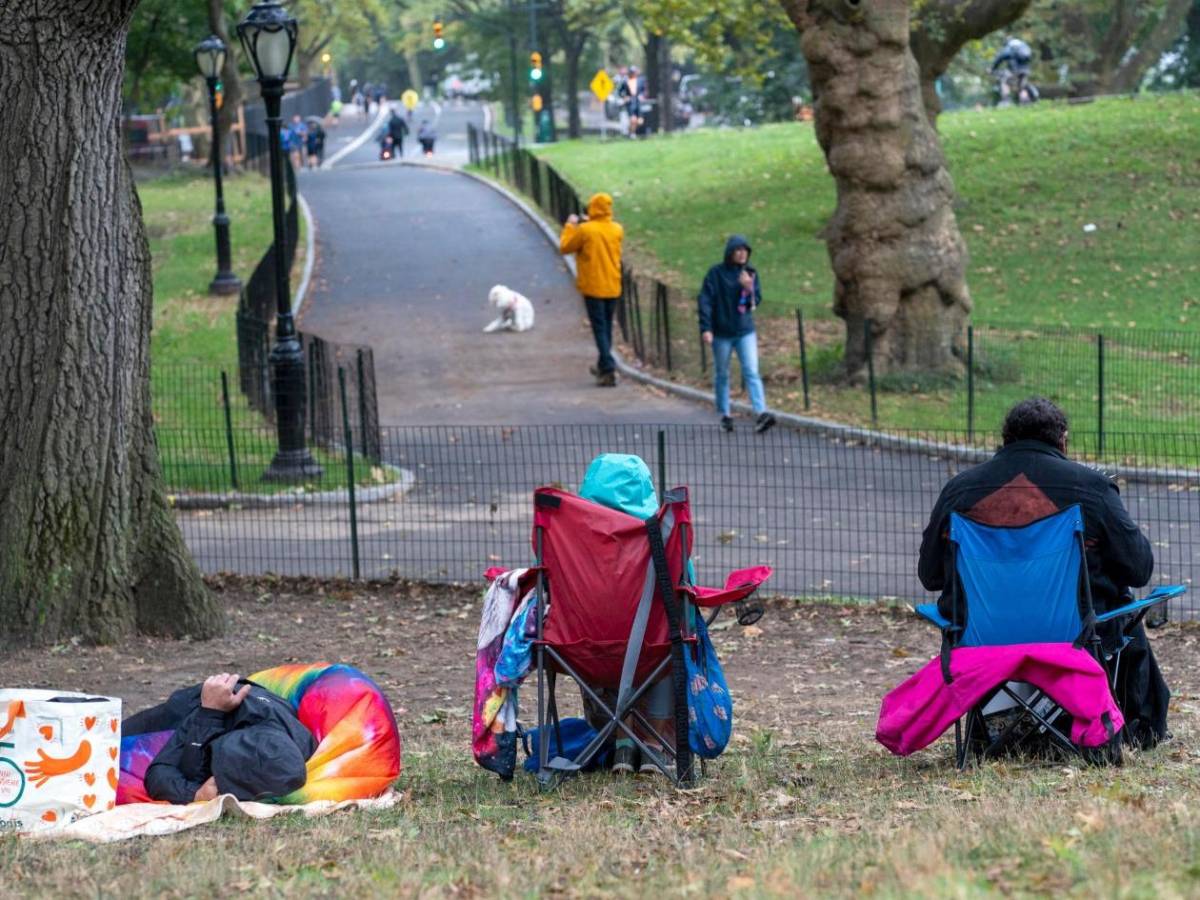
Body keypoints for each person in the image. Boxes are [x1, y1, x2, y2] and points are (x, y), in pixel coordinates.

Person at [918, 397, 1169, 749]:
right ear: (1063, 440)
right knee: (1122, 604)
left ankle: (989, 729)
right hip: (1074, 639)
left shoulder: (960, 491)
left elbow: (930, 576)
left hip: (981, 639)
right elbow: (1139, 568)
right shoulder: (1091, 488)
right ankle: (1139, 727)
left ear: (1005, 439)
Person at [124, 673, 317, 804]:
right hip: (193, 706)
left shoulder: (299, 745)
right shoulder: (219, 716)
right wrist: (195, 794)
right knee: (116, 735)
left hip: (256, 702)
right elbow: (159, 774)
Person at [697, 235, 776, 433]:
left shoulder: (750, 273)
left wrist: (749, 287)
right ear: (730, 252)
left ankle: (761, 412)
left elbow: (755, 301)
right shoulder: (716, 274)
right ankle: (725, 414)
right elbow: (705, 300)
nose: (742, 254)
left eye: (745, 250)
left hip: (745, 331)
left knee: (751, 371)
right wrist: (706, 328)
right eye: (738, 250)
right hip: (722, 333)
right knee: (723, 373)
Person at [559, 193, 624, 387]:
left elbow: (565, 247)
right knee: (606, 326)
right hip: (613, 284)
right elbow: (601, 234)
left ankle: (609, 365)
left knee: (599, 328)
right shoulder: (617, 229)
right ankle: (603, 367)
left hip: (594, 286)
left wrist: (571, 225)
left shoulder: (585, 230)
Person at [991, 36, 1035, 105]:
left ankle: (1006, 101)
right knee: (1021, 86)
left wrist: (993, 68)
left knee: (1005, 82)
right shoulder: (1023, 45)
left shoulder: (1010, 46)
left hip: (1014, 70)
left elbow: (1000, 58)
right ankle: (1025, 102)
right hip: (1025, 70)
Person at [618, 65, 644, 138]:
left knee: (640, 121)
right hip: (630, 102)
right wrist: (625, 97)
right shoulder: (625, 81)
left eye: (634, 72)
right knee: (633, 120)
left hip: (637, 102)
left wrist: (641, 95)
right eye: (631, 72)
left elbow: (642, 90)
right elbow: (620, 91)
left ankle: (630, 131)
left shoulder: (640, 81)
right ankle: (632, 134)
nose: (633, 74)